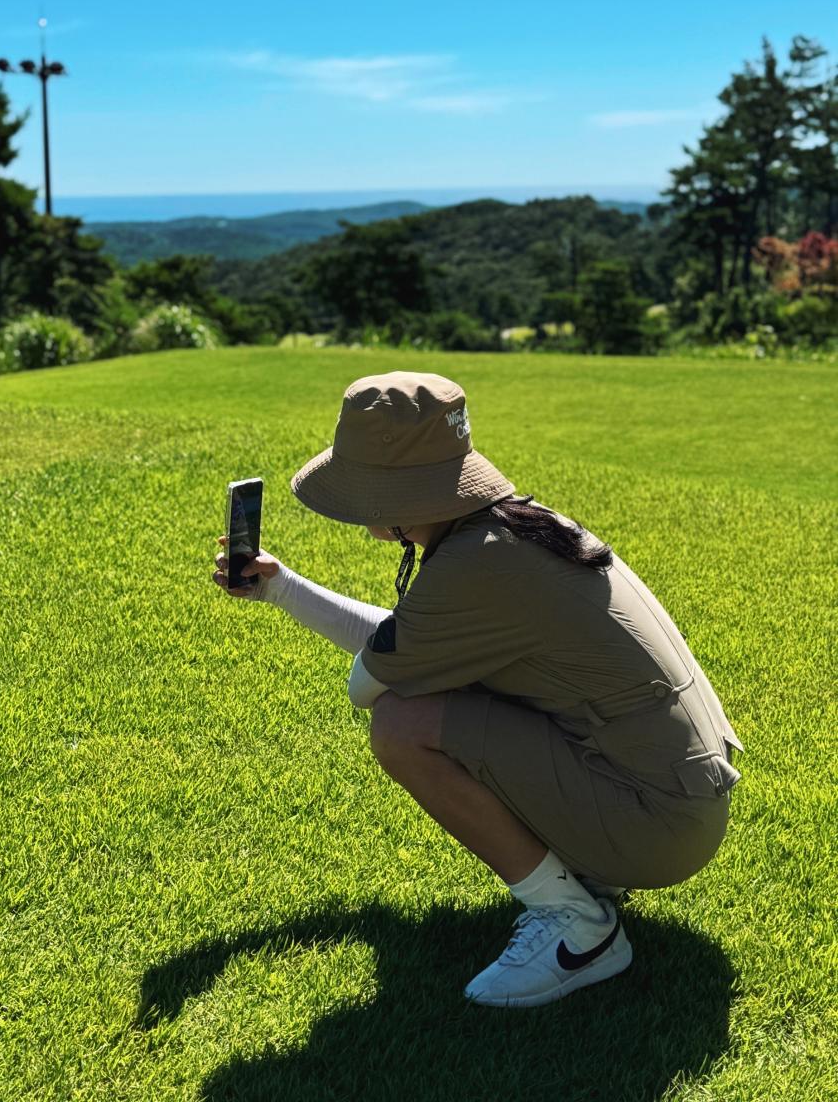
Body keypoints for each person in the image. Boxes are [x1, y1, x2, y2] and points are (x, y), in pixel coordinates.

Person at [211, 370, 744, 1008]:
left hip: (657, 826)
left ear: (399, 491)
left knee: (402, 725)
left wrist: (364, 638)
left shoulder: (476, 564)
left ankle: (578, 925)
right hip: (676, 799)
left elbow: (371, 682)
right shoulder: (511, 529)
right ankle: (586, 878)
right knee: (439, 696)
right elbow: (414, 642)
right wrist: (281, 588)